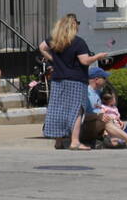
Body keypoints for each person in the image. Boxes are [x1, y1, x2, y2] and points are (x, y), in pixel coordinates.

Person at [39, 14, 108, 150]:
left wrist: (53, 59)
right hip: (76, 80)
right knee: (77, 110)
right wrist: (98, 56)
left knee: (58, 110)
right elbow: (84, 61)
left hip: (58, 79)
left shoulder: (54, 40)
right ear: (73, 25)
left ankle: (58, 141)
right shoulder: (78, 42)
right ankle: (75, 141)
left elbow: (41, 47)